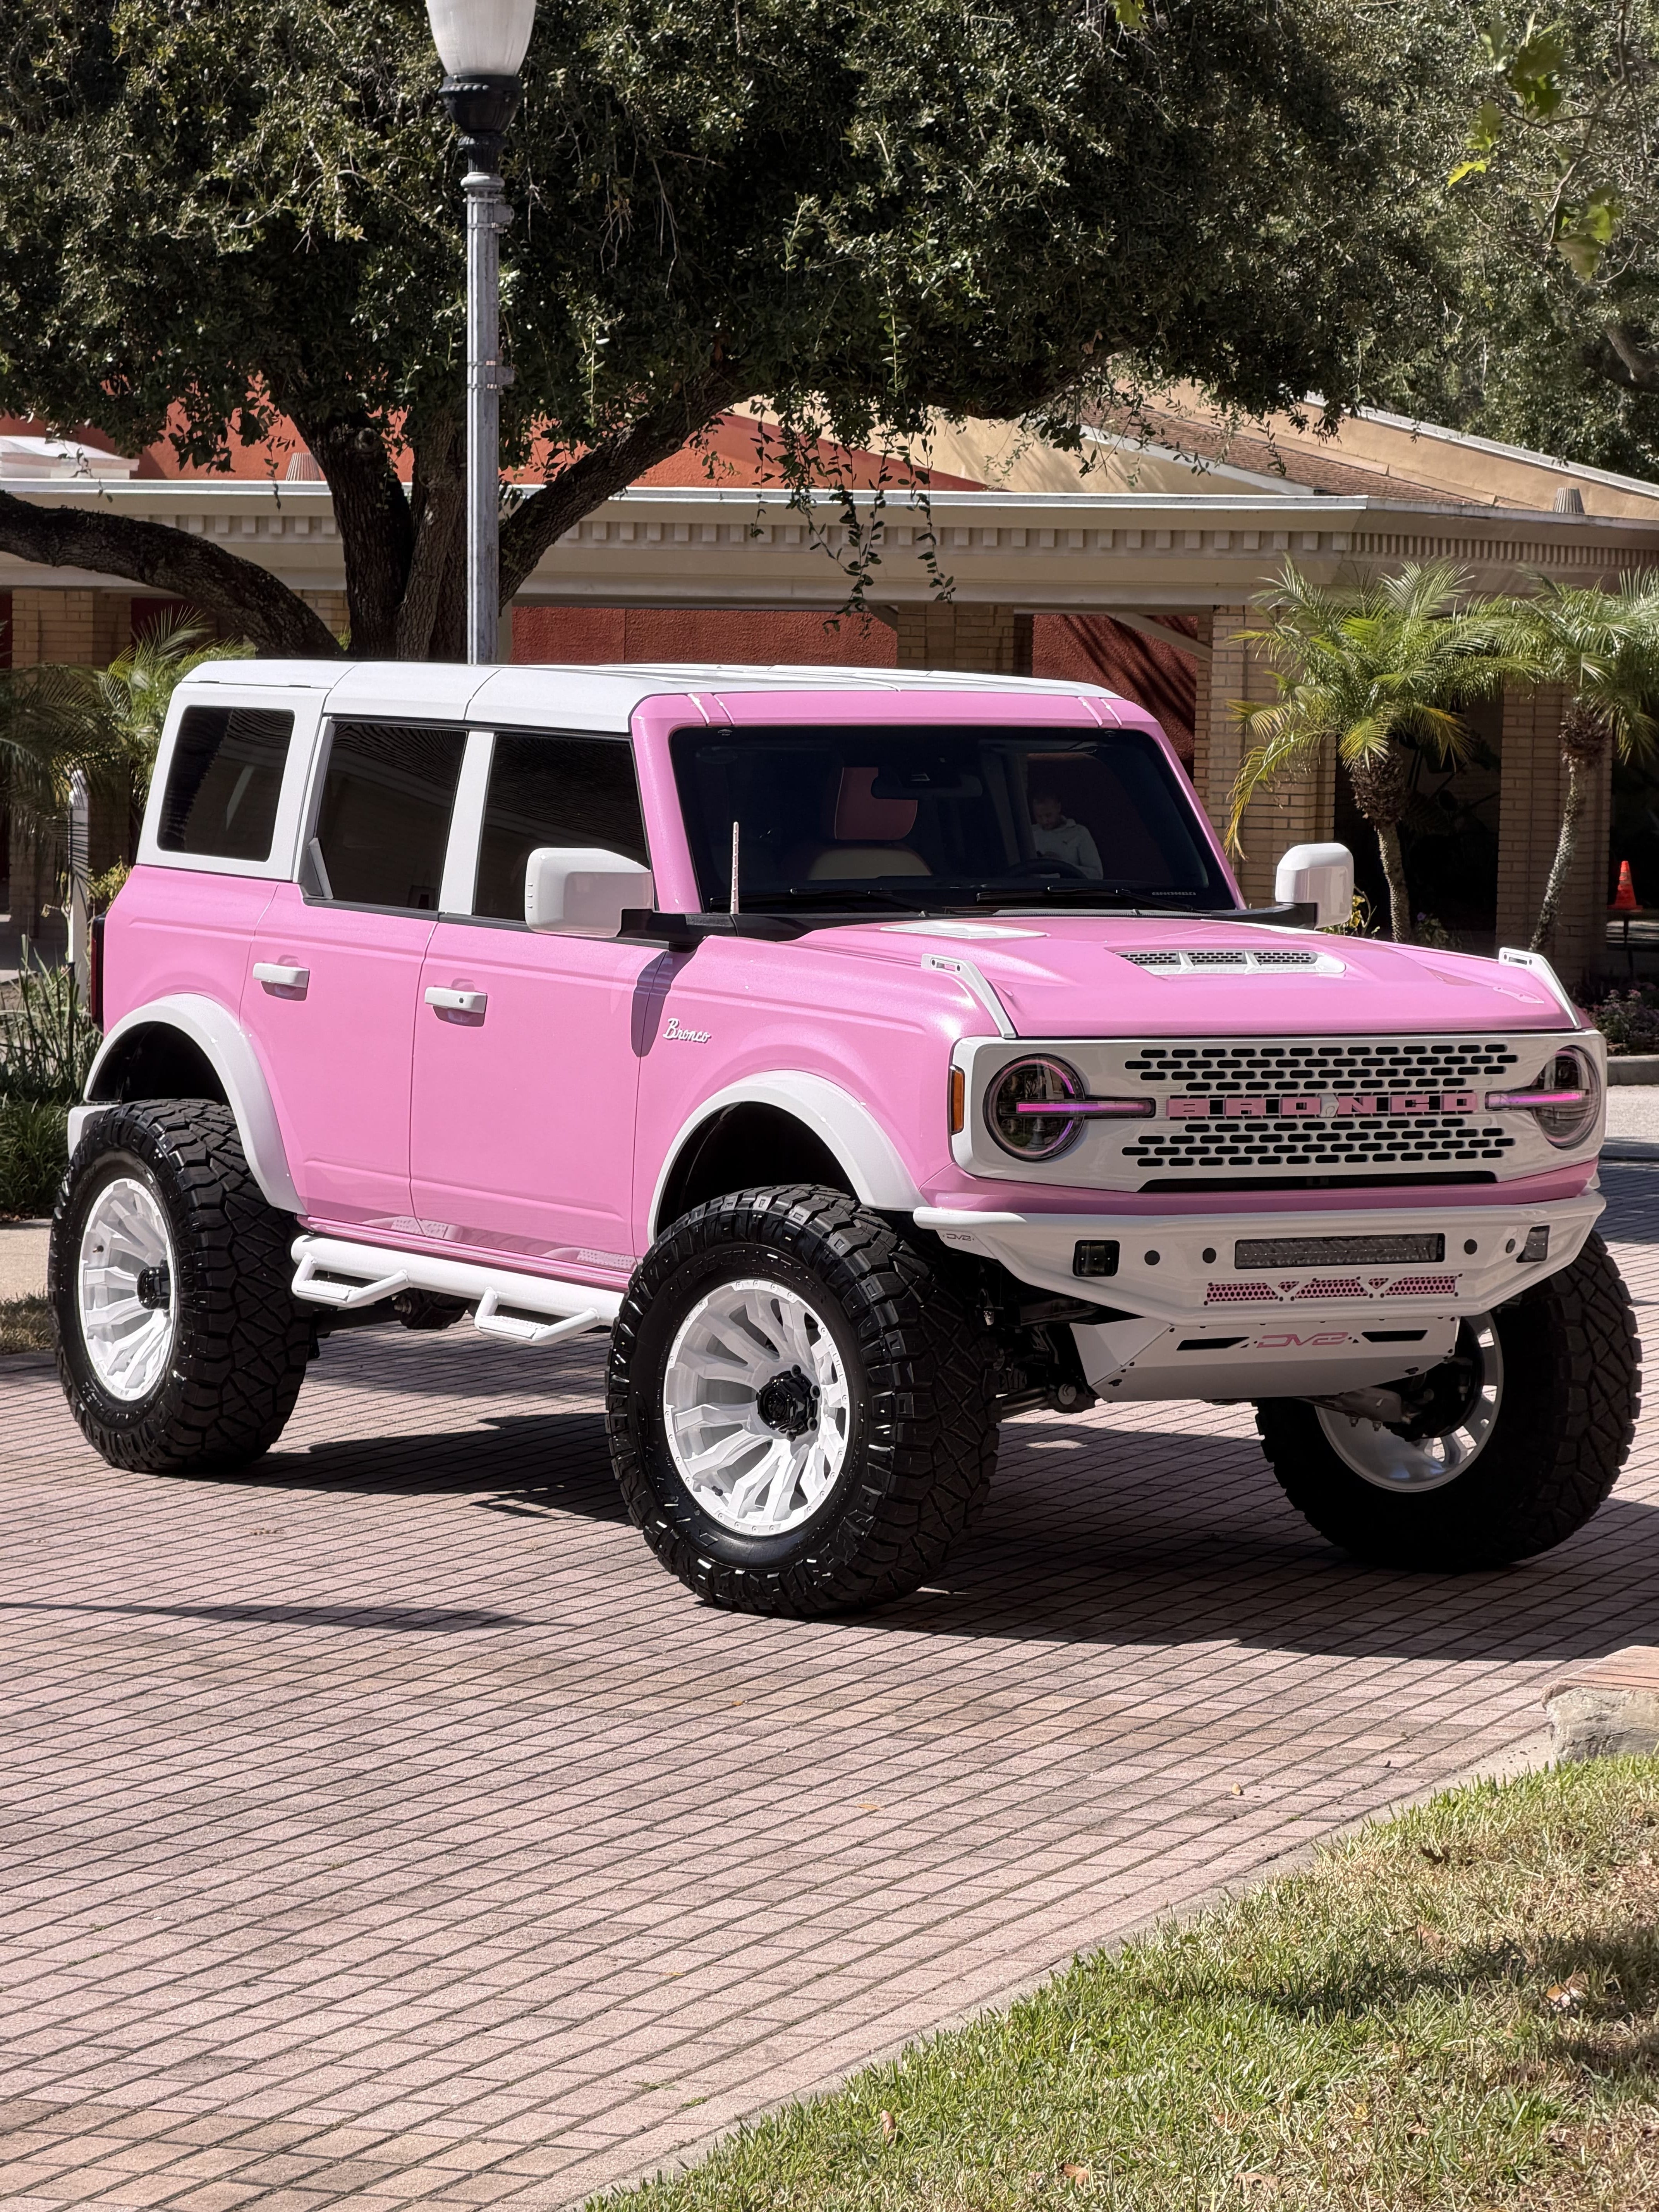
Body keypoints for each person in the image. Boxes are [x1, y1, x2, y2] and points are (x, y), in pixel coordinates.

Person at [1029, 788, 1103, 878]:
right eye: (1039, 816)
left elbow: (1096, 876)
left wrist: (1062, 865)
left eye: (1049, 815)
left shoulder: (1079, 833)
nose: (1045, 821)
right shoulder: (1030, 835)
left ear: (1058, 808)